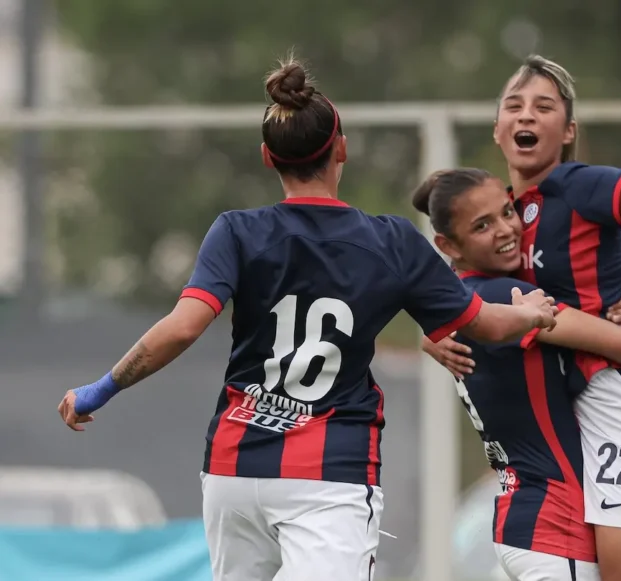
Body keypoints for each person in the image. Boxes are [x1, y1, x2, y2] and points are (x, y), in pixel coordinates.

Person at [56, 58, 558, 581]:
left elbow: (183, 327)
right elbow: (484, 324)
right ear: (342, 148)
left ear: (267, 158)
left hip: (235, 465)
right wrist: (528, 313)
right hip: (328, 474)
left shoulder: (236, 232)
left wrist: (101, 388)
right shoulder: (392, 241)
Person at [426, 49, 621, 581]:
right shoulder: (498, 214)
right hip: (573, 407)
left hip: (619, 395)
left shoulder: (581, 186)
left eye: (544, 106)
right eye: (514, 105)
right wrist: (434, 336)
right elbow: (458, 290)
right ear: (498, 129)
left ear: (568, 130)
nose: (527, 115)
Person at [413, 168, 621, 581]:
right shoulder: (504, 302)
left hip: (530, 516)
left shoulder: (468, 301)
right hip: (553, 522)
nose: (505, 229)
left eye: (507, 212)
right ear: (448, 246)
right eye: (481, 226)